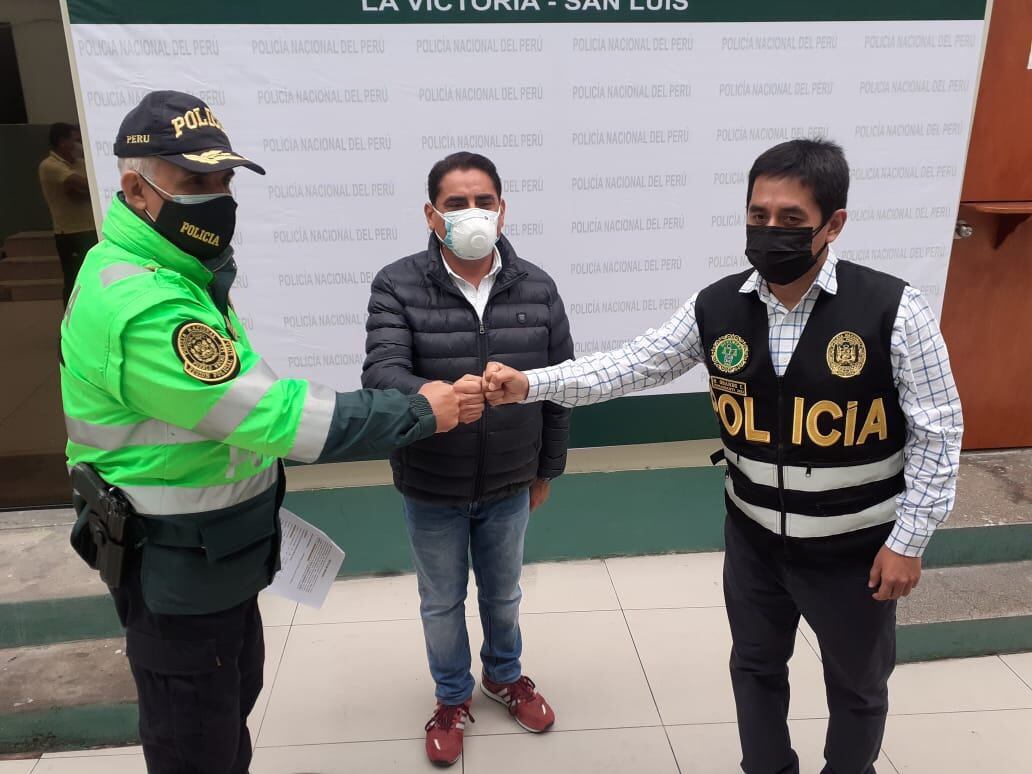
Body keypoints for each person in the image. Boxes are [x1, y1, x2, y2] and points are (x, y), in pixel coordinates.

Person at [483, 139, 963, 774]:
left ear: (834, 224)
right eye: (757, 216)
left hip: (858, 552)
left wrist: (910, 540)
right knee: (756, 668)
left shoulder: (895, 311)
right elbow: (633, 364)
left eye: (791, 220)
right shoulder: (717, 307)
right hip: (755, 543)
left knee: (857, 687)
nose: (770, 233)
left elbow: (940, 432)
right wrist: (530, 384)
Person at [60, 91, 460, 774]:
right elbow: (274, 417)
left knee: (227, 711)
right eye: (195, 182)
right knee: (197, 746)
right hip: (175, 576)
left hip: (217, 565)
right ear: (136, 188)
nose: (217, 197)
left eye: (224, 180)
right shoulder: (142, 306)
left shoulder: (184, 277)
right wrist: (421, 412)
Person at [362, 151, 574, 767]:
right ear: (433, 215)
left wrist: (547, 469)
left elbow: (561, 384)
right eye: (456, 204)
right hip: (431, 480)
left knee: (504, 595)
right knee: (440, 600)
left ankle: (504, 677)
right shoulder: (396, 283)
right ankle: (451, 697)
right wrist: (441, 397)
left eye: (484, 201)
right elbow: (382, 372)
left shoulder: (537, 287)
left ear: (503, 211)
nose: (472, 213)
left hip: (512, 479)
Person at [38, 122, 98, 306]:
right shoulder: (50, 165)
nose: (80, 145)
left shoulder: (80, 163)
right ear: (63, 142)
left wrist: (80, 188)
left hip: (91, 229)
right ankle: (69, 329)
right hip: (70, 233)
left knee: (95, 281)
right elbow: (84, 185)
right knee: (74, 282)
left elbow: (82, 189)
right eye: (76, 140)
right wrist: (82, 187)